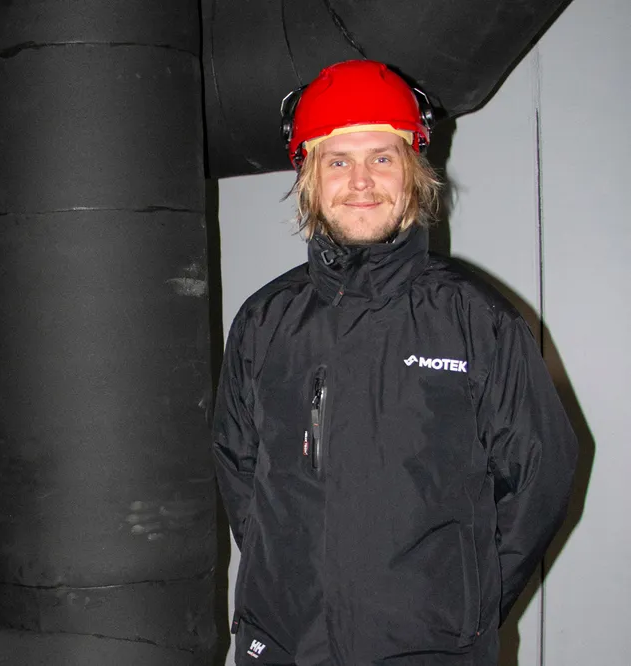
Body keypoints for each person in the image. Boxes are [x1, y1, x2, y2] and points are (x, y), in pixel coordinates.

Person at [211, 59, 579, 665]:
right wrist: (287, 581)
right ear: (309, 178)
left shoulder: (477, 320)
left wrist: (464, 606)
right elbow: (237, 464)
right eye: (338, 161)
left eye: (381, 157)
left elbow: (541, 477)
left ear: (413, 172)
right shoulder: (264, 320)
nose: (361, 181)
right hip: (284, 645)